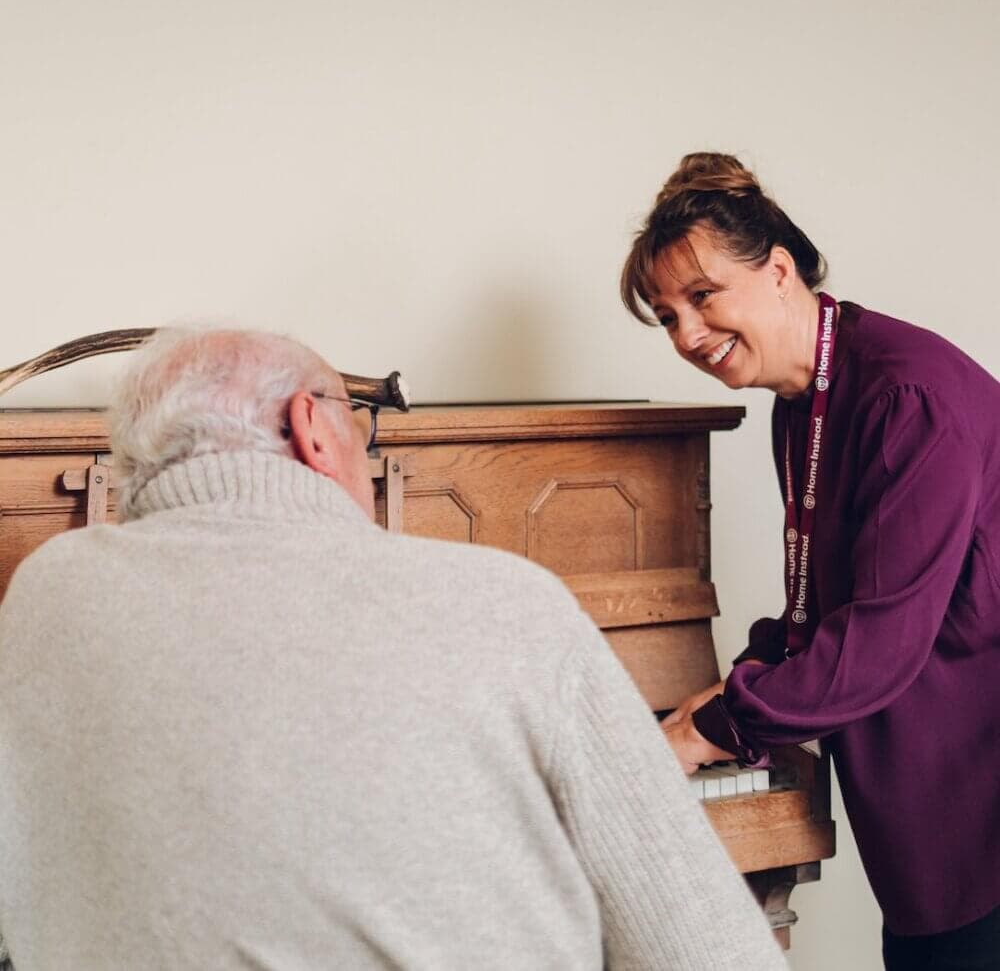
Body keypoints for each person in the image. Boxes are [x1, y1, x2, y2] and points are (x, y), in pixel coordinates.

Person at [0, 327, 785, 971]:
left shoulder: (42, 596)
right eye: (361, 429)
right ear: (311, 428)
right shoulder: (509, 604)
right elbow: (711, 951)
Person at [620, 152, 1000, 970]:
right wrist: (704, 705)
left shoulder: (908, 397)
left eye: (702, 296)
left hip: (979, 802)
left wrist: (710, 730)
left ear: (780, 270)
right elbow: (814, 610)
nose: (686, 335)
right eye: (666, 315)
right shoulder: (802, 402)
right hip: (927, 813)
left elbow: (875, 646)